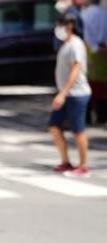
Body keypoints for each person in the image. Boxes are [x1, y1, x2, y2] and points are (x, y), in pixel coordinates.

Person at [48, 12, 92, 177]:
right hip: (67, 94)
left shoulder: (75, 44)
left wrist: (63, 93)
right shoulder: (66, 44)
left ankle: (83, 166)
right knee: (54, 126)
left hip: (76, 94)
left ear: (70, 25)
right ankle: (66, 162)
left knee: (78, 130)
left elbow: (76, 69)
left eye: (61, 24)